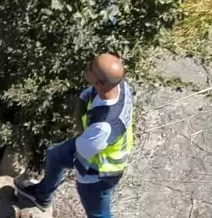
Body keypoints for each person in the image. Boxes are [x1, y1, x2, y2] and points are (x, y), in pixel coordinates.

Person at [15, 53, 135, 218]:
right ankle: (42, 196)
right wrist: (79, 123)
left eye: (91, 67)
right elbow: (87, 95)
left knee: (98, 214)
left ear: (99, 82)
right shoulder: (118, 86)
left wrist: (82, 182)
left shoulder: (104, 125)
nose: (87, 67)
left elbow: (82, 160)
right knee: (54, 154)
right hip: (90, 143)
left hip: (100, 171)